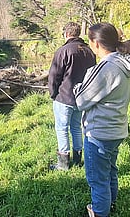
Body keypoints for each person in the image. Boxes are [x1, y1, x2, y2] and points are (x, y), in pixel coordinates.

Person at [73, 23, 130, 217]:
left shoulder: (106, 67)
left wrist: (78, 88)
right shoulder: (122, 61)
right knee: (110, 171)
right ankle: (110, 203)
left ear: (95, 43)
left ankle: (100, 212)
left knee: (97, 179)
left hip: (100, 132)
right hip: (116, 129)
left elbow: (82, 101)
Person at [48, 22, 96, 170]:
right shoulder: (89, 51)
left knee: (62, 128)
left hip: (64, 96)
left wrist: (53, 93)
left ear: (67, 34)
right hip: (82, 96)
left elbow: (54, 75)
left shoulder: (63, 51)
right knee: (76, 127)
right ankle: (77, 159)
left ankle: (63, 163)